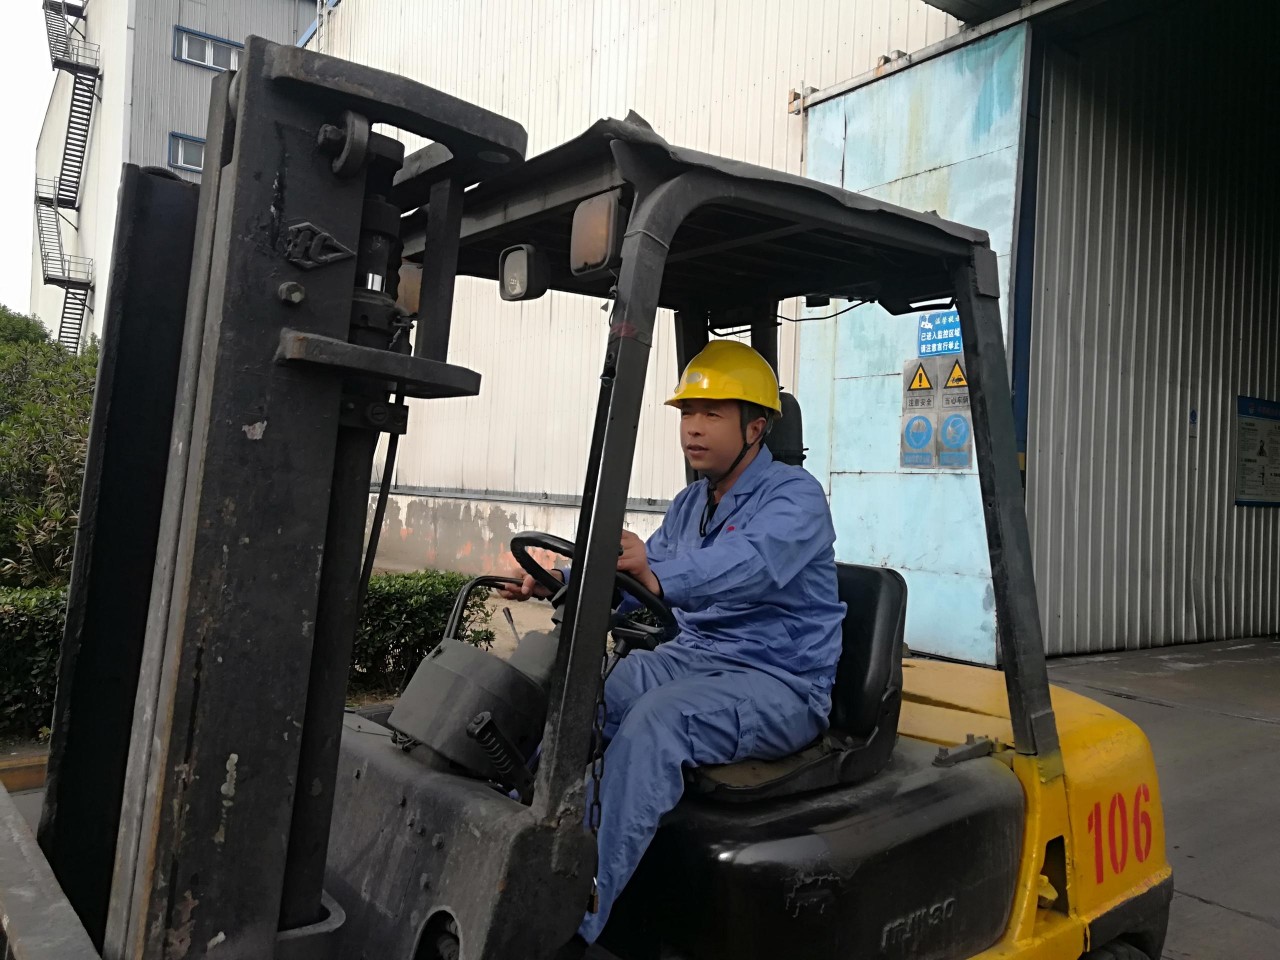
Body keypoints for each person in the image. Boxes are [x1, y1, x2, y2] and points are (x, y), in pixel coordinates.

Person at [505, 340, 845, 953]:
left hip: (780, 682)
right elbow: (640, 580)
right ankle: (507, 840)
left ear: (756, 428)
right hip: (694, 658)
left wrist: (660, 577)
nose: (693, 427)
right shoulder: (691, 504)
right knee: (589, 693)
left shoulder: (796, 497)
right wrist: (562, 581)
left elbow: (749, 564)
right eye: (687, 413)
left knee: (660, 722)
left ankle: (569, 920)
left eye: (713, 413)